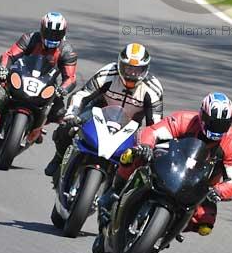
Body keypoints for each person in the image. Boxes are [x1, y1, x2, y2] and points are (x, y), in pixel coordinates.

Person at [99, 92, 232, 236]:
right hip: (169, 166)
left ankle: (167, 231)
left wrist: (219, 191)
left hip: (200, 186)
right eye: (212, 122)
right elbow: (153, 132)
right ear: (202, 115)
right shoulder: (185, 120)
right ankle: (114, 192)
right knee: (132, 156)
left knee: (205, 223)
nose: (216, 128)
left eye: (222, 124)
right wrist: (146, 146)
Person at [44, 42, 164, 177]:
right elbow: (82, 95)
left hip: (131, 125)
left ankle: (118, 189)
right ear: (119, 64)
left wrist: (148, 145)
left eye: (137, 70)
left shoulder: (153, 89)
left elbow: (155, 125)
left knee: (143, 158)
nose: (132, 74)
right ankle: (59, 157)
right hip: (99, 113)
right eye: (128, 68)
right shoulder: (108, 73)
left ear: (145, 69)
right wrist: (72, 114)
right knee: (67, 127)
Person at [0, 12, 77, 123]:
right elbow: (10, 55)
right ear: (42, 30)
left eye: (56, 34)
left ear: (63, 33)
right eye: (49, 33)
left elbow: (70, 78)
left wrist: (63, 88)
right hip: (21, 75)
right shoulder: (30, 38)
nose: (52, 37)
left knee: (59, 113)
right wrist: (3, 68)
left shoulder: (67, 51)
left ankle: (39, 126)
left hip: (46, 84)